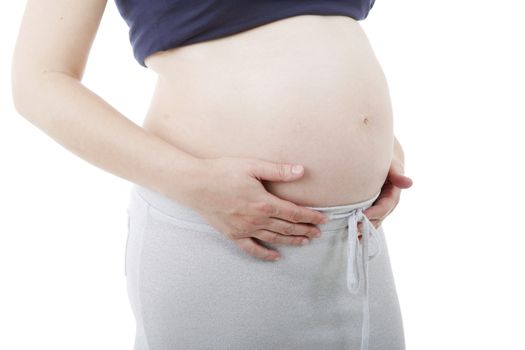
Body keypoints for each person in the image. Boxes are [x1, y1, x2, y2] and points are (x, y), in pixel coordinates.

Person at [11, 1, 413, 349]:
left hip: (357, 242)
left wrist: (379, 147)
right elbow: (38, 81)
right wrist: (197, 183)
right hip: (223, 236)